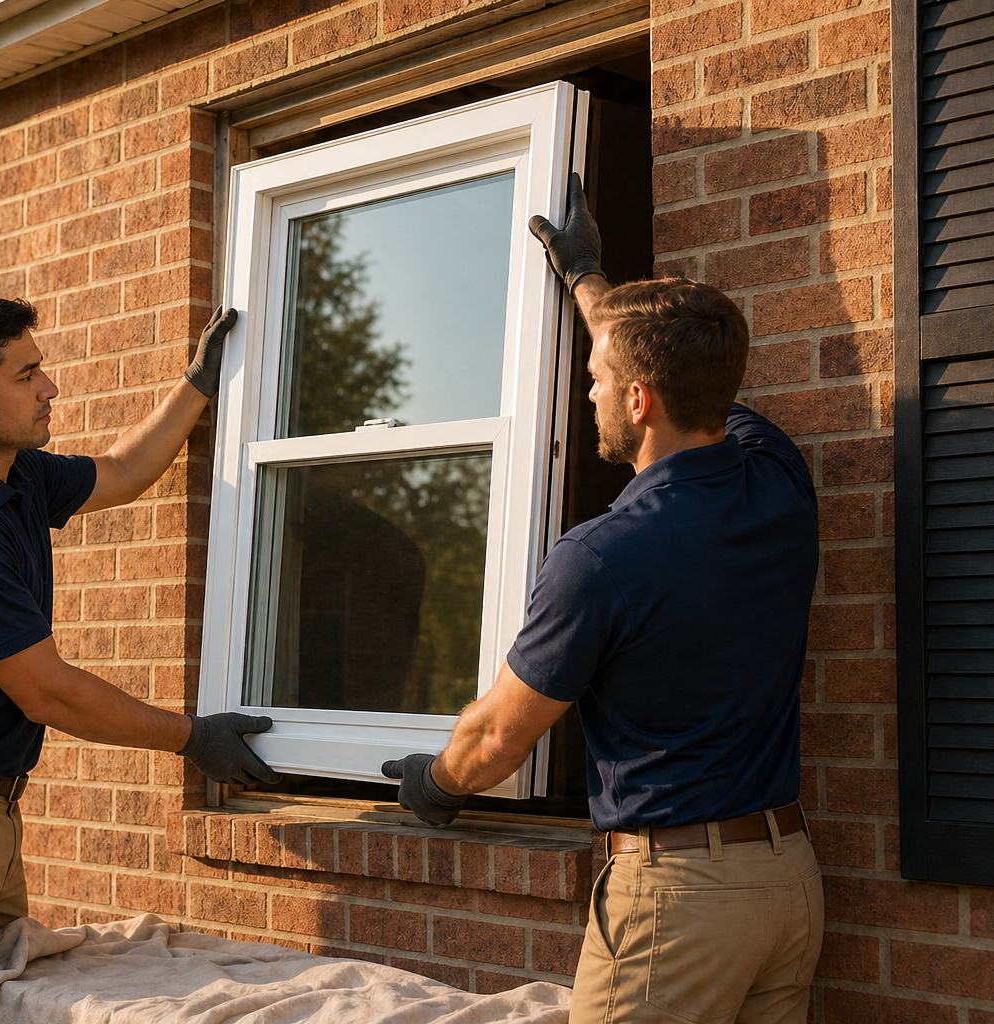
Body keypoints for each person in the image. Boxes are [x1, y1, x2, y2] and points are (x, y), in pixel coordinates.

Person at [382, 174, 823, 1024]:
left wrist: (435, 785)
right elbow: (668, 371)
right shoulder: (779, 475)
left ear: (636, 399)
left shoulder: (602, 556)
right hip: (787, 882)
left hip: (677, 907)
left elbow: (500, 735)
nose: (584, 390)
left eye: (594, 377)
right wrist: (588, 278)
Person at [0, 296, 281, 1024]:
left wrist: (198, 382)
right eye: (27, 374)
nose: (51, 387)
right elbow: (48, 693)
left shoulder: (14, 476)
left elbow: (122, 471)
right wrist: (191, 737)